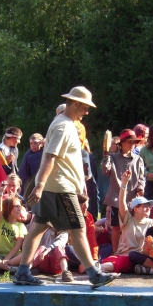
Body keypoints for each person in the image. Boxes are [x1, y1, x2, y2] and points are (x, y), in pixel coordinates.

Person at [13, 86, 118, 287]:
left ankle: (23, 272)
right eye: (85, 107)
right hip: (60, 188)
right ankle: (94, 274)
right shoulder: (63, 126)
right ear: (76, 104)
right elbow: (50, 156)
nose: (87, 112)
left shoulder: (64, 123)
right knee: (78, 228)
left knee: (38, 227)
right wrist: (39, 185)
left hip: (55, 187)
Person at [99, 170, 153, 273]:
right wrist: (124, 184)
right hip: (122, 255)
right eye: (145, 206)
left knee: (120, 262)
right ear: (135, 209)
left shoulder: (152, 223)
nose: (148, 208)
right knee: (115, 261)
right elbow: (121, 202)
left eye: (149, 206)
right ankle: (94, 268)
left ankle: (96, 269)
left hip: (139, 258)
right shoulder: (128, 219)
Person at [102, 129, 145, 252]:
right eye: (130, 142)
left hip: (132, 199)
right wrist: (106, 156)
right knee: (116, 227)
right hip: (116, 198)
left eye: (134, 142)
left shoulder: (138, 159)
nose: (132, 144)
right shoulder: (113, 157)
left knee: (131, 226)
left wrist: (141, 188)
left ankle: (131, 250)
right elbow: (105, 171)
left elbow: (141, 177)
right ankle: (116, 252)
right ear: (122, 143)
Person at [19, 134, 45, 199]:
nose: (32, 145)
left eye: (35, 143)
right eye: (31, 143)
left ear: (41, 143)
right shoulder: (31, 156)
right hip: (28, 185)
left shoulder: (35, 154)